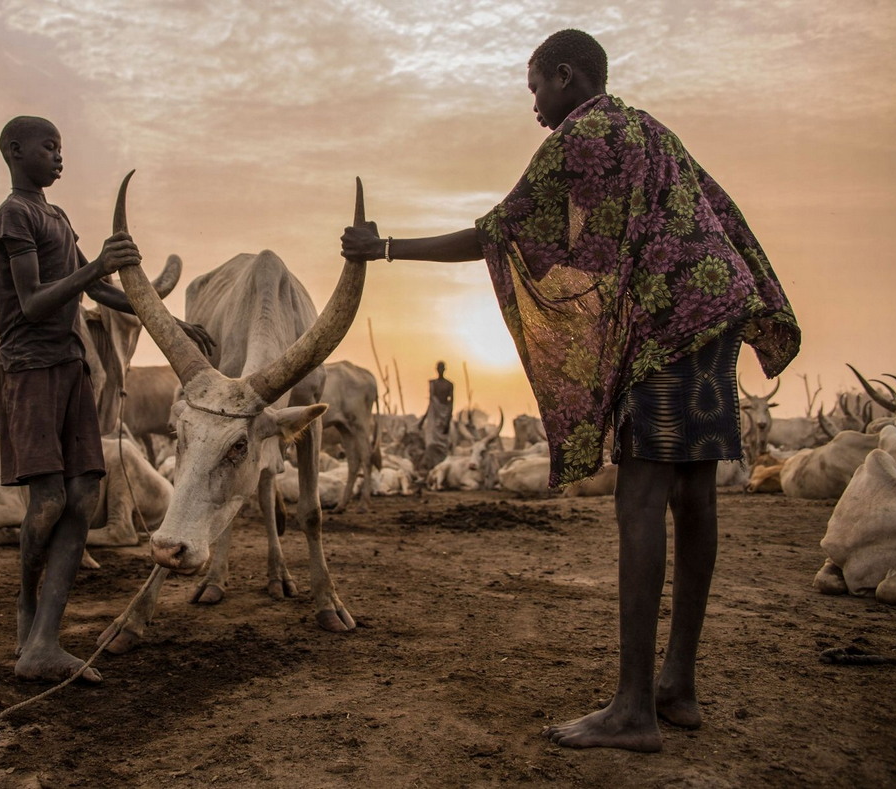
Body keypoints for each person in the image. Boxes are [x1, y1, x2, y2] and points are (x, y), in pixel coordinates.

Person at [341, 30, 799, 752]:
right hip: (715, 308)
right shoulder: (647, 129)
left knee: (640, 495)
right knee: (694, 493)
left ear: (564, 75)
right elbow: (717, 208)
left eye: (534, 89)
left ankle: (632, 709)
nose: (534, 105)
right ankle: (677, 686)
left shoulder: (580, 135)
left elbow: (498, 232)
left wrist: (386, 247)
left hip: (666, 324)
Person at [0, 115, 210, 683]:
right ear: (16, 152)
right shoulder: (14, 214)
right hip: (31, 368)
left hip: (70, 366)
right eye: (49, 146)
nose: (59, 156)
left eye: (61, 147)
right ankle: (26, 612)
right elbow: (35, 301)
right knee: (46, 503)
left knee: (83, 494)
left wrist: (169, 322)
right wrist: (98, 263)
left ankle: (44, 641)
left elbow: (96, 289)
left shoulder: (56, 216)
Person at [421, 361, 455, 470]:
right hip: (433, 416)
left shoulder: (449, 384)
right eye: (438, 368)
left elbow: (451, 403)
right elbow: (431, 403)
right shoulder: (433, 383)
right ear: (436, 369)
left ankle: (443, 466)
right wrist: (423, 419)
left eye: (442, 368)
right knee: (431, 443)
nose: (440, 370)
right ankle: (431, 466)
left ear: (444, 369)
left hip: (444, 416)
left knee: (444, 444)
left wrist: (448, 419)